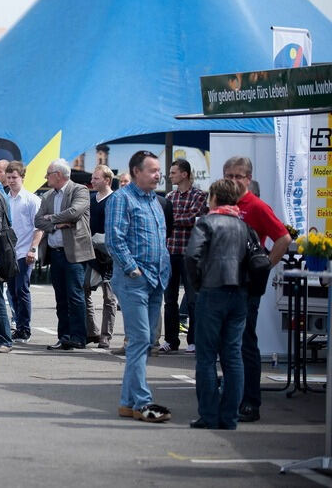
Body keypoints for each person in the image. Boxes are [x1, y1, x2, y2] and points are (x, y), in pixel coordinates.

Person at [223, 156, 290, 423]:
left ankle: (251, 401)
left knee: (245, 343)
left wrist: (263, 268)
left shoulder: (256, 206)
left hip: (246, 288)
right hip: (224, 284)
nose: (234, 180)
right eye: (229, 175)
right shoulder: (224, 203)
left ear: (249, 179)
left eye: (239, 176)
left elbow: (283, 238)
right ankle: (233, 396)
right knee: (228, 344)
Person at [105, 150, 172, 423]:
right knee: (141, 340)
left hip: (156, 280)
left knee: (143, 344)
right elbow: (114, 240)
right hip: (135, 281)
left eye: (159, 171)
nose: (158, 175)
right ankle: (143, 402)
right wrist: (133, 268)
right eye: (153, 170)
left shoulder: (156, 201)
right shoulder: (121, 199)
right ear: (136, 171)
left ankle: (128, 402)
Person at [184, 178, 250, 429]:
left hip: (212, 292)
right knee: (233, 356)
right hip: (239, 294)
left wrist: (198, 283)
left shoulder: (207, 223)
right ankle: (230, 417)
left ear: (214, 198)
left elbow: (191, 255)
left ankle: (209, 415)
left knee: (206, 357)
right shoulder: (244, 225)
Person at [35, 158, 94, 350]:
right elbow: (37, 221)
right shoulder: (48, 196)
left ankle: (78, 337)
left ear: (58, 175)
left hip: (74, 253)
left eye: (48, 174)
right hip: (56, 253)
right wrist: (57, 224)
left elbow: (75, 212)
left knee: (75, 296)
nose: (46, 178)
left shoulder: (79, 190)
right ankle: (64, 336)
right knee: (60, 297)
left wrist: (51, 219)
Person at [164, 158, 208, 353]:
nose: (170, 175)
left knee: (193, 299)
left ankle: (194, 339)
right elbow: (166, 220)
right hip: (171, 252)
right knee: (170, 300)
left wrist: (172, 220)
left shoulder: (199, 195)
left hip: (190, 254)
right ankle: (171, 340)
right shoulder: (170, 196)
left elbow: (194, 218)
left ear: (184, 174)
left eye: (174, 172)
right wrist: (174, 220)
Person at [5, 161, 42, 342]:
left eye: (14, 177)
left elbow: (39, 228)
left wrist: (32, 249)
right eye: (9, 177)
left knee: (22, 290)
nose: (11, 181)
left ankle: (24, 328)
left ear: (22, 178)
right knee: (11, 292)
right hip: (9, 252)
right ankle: (18, 325)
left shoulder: (31, 200)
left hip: (24, 252)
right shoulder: (6, 199)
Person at [86, 164, 117, 349]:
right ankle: (92, 330)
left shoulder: (115, 199)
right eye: (92, 178)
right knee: (84, 289)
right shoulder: (91, 199)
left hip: (110, 254)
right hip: (91, 252)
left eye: (96, 178)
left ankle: (105, 335)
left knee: (109, 297)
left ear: (107, 180)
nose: (92, 181)